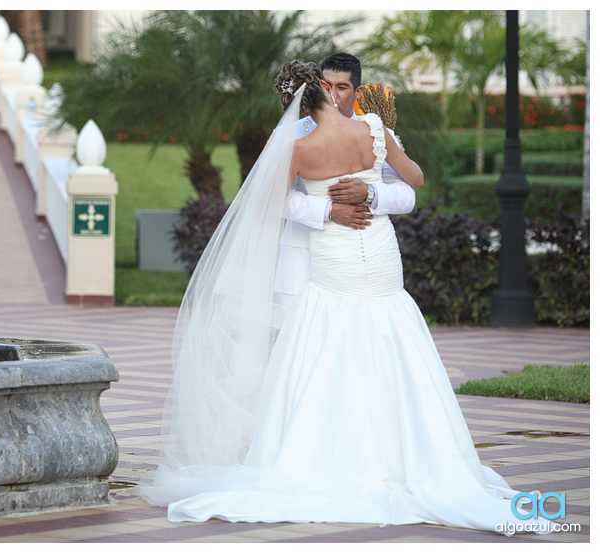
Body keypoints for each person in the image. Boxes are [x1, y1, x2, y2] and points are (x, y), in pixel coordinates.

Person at [139, 60, 539, 536]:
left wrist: (359, 201)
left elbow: (269, 204)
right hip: (376, 249)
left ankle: (328, 455)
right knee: (387, 327)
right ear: (328, 89)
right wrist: (340, 201)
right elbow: (415, 176)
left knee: (330, 334)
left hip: (337, 251)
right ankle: (413, 456)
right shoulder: (373, 129)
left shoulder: (299, 148)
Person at [277, 53, 416, 307]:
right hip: (302, 254)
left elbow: (408, 196)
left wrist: (370, 193)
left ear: (358, 91)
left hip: (370, 255)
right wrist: (328, 210)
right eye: (327, 85)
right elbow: (272, 197)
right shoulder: (289, 136)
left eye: (342, 87)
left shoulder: (377, 132)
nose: (333, 94)